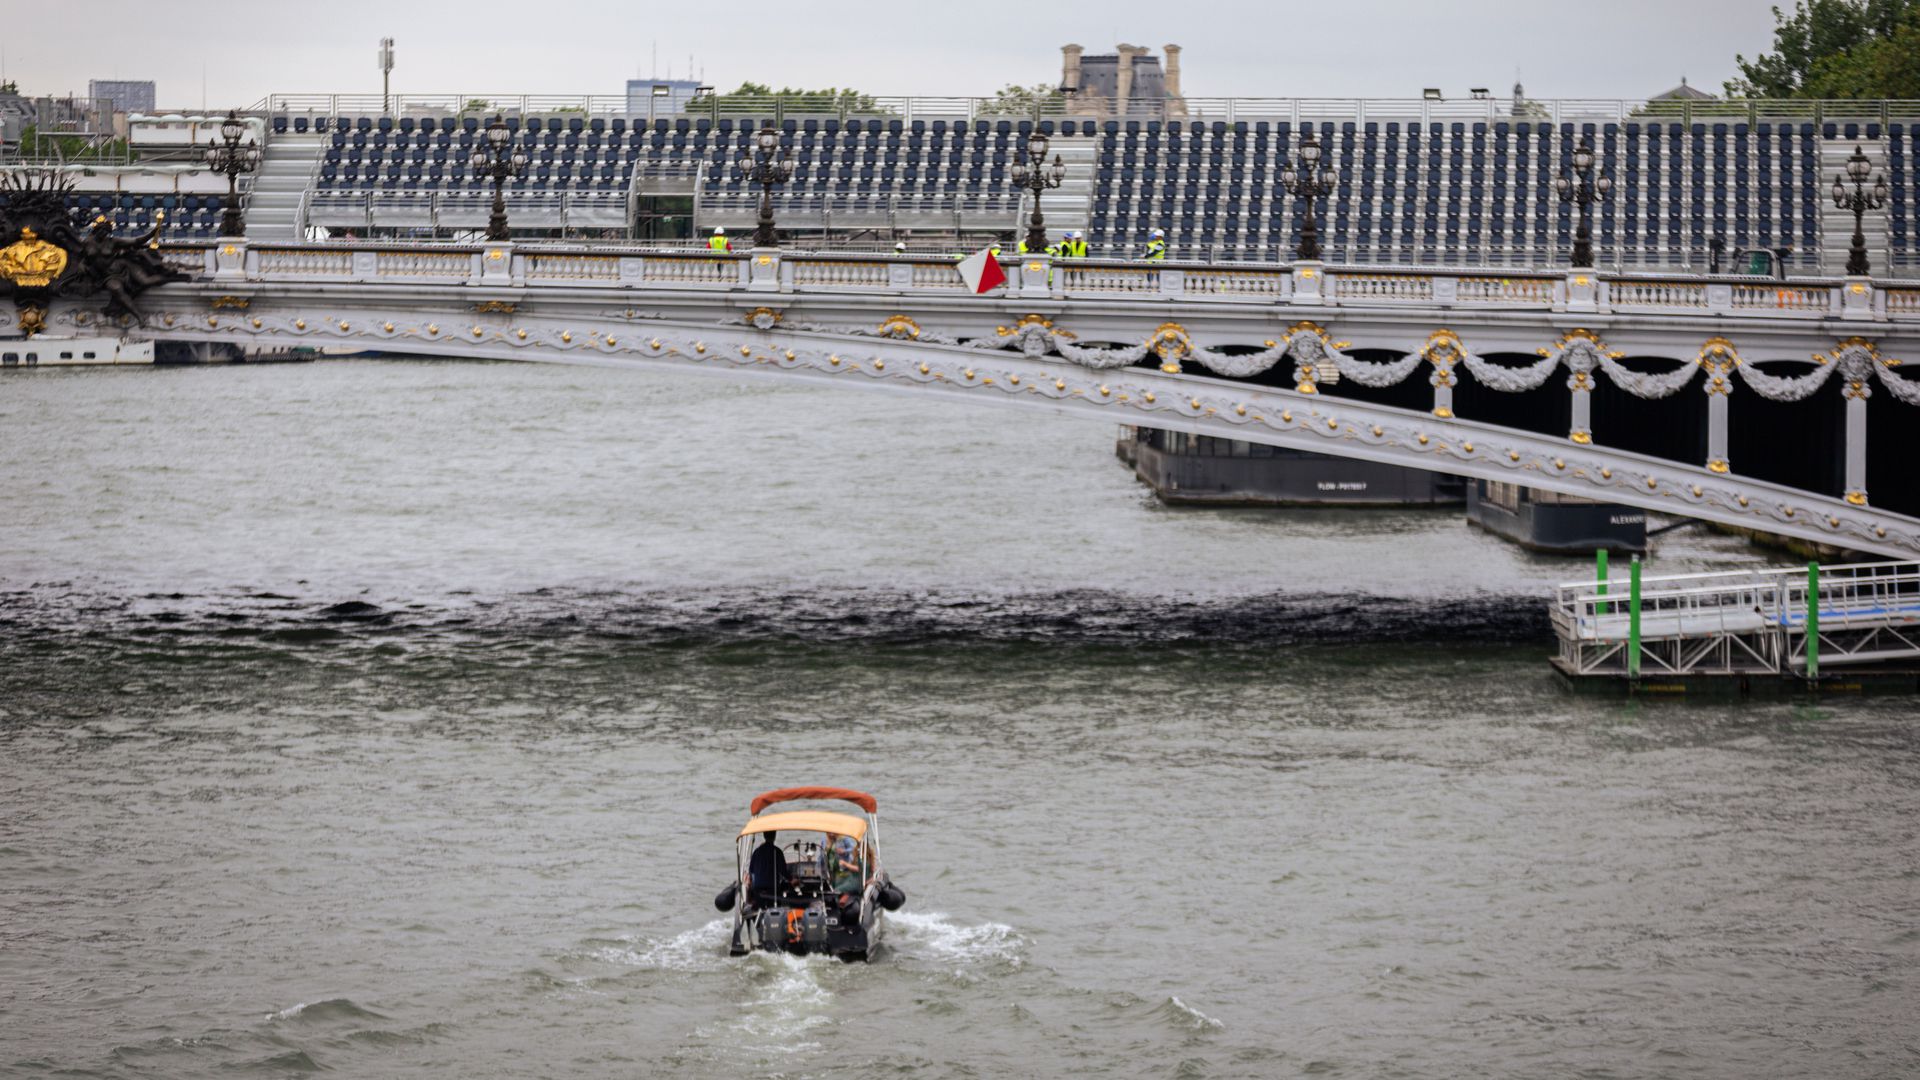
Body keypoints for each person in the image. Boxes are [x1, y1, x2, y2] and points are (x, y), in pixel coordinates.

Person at [825, 835, 863, 922]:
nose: (829, 834)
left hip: (844, 868)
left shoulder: (844, 839)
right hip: (832, 869)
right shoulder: (825, 840)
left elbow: (852, 849)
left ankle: (841, 903)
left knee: (839, 888)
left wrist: (844, 851)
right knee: (832, 886)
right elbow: (823, 853)